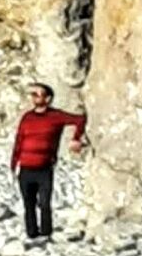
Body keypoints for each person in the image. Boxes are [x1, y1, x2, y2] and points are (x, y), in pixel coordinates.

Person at [9, 84, 86, 245]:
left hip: (44, 168)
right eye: (33, 95)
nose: (34, 97)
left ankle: (46, 233)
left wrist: (76, 139)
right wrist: (13, 165)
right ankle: (31, 234)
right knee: (28, 204)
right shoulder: (27, 117)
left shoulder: (56, 116)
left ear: (48, 98)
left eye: (37, 94)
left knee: (44, 203)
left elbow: (80, 119)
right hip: (25, 167)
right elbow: (19, 141)